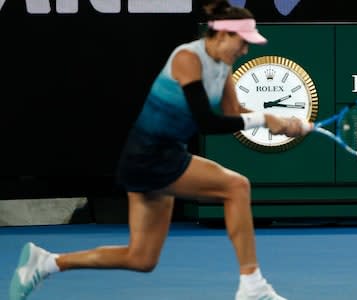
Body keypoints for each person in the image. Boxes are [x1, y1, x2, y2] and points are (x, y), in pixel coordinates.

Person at [9, 1, 312, 299]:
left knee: (140, 259)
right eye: (242, 43)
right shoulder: (187, 58)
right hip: (149, 156)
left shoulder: (224, 67)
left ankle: (47, 262)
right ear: (221, 34)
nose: (245, 50)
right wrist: (263, 118)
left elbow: (233, 113)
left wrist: (283, 123)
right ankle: (252, 286)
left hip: (161, 157)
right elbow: (206, 121)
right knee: (236, 186)